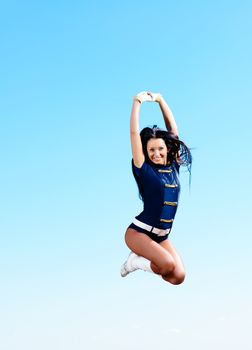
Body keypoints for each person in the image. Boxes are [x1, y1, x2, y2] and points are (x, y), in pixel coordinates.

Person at [120, 91, 192, 285]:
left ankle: (139, 260)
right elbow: (134, 134)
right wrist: (137, 101)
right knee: (167, 264)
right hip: (139, 233)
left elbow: (173, 129)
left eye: (160, 148)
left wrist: (161, 100)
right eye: (151, 150)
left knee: (178, 276)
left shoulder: (173, 166)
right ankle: (134, 263)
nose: (156, 153)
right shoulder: (143, 168)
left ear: (167, 148)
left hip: (160, 236)